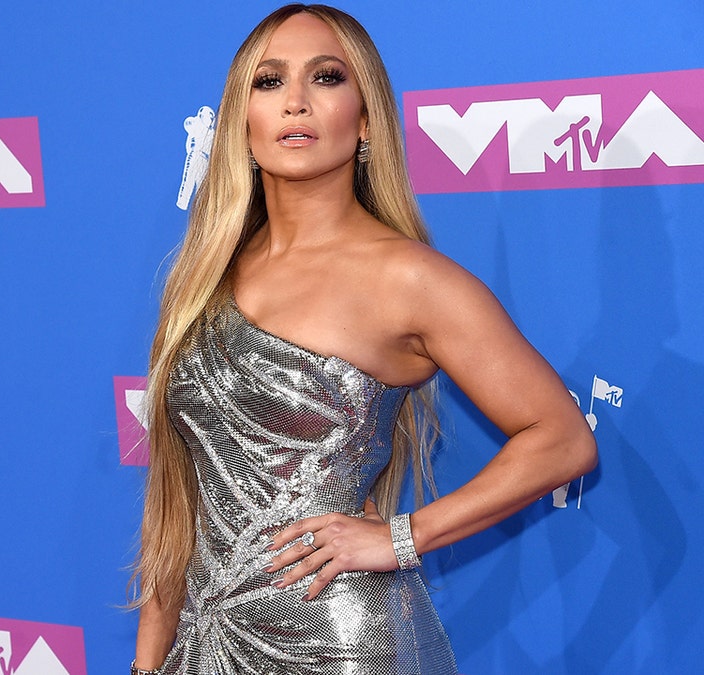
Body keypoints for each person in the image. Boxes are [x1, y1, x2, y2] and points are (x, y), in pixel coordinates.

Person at [130, 5, 597, 674]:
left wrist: (403, 537)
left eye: (325, 77)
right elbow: (178, 501)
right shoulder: (202, 278)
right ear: (241, 120)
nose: (294, 101)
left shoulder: (406, 275)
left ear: (368, 119)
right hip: (204, 646)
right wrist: (149, 661)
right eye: (268, 82)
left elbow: (562, 438)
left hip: (343, 643)